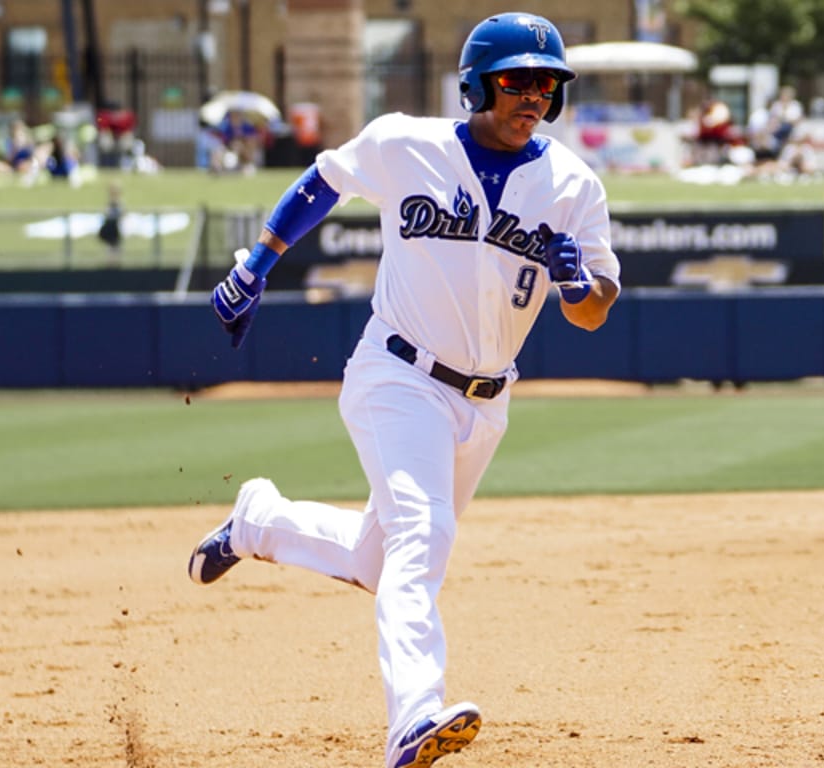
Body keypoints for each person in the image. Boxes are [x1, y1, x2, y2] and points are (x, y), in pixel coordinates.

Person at [186, 13, 621, 768]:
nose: (534, 95)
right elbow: (325, 179)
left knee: (381, 563)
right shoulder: (404, 144)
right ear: (476, 85)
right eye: (517, 79)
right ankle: (414, 716)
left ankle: (259, 522)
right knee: (425, 539)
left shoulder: (574, 185)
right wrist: (258, 261)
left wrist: (578, 284)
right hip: (396, 374)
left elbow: (592, 311)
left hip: (486, 405)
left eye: (547, 83)